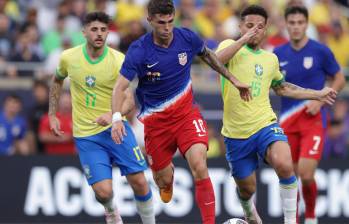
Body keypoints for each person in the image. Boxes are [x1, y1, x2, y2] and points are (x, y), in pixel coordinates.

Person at [111, 1, 251, 223]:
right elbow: (120, 87)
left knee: (199, 164)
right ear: (150, 21)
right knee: (163, 184)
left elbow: (210, 57)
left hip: (187, 116)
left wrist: (233, 79)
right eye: (161, 23)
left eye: (170, 22)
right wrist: (116, 118)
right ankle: (166, 177)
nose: (166, 28)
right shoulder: (139, 51)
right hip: (156, 125)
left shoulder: (187, 37)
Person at [215, 5, 337, 224]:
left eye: (259, 27)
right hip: (236, 133)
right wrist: (243, 39)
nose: (254, 31)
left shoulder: (270, 59)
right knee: (246, 188)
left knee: (284, 163)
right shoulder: (229, 46)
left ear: (266, 30)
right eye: (249, 26)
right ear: (241, 26)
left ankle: (291, 221)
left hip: (265, 124)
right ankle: (250, 213)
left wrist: (317, 94)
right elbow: (215, 60)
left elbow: (283, 88)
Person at [48, 12, 155, 224]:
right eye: (95, 29)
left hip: (117, 129)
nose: (99, 34)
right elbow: (57, 80)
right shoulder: (69, 57)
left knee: (140, 182)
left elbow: (130, 101)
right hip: (87, 135)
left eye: (104, 30)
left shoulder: (119, 61)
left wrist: (114, 115)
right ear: (84, 32)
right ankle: (111, 210)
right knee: (104, 192)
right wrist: (52, 114)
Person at [274, 6, 346, 224]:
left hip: (313, 121)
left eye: (300, 23)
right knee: (290, 177)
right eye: (292, 23)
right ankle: (293, 220)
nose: (296, 27)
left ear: (307, 24)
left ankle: (312, 217)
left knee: (306, 174)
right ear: (286, 24)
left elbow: (339, 78)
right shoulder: (278, 54)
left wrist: (321, 100)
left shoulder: (320, 51)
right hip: (287, 121)